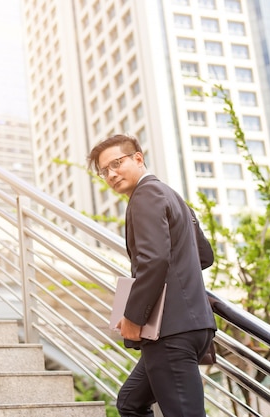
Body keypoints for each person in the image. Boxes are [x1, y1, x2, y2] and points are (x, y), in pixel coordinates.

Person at [87, 134, 217, 417]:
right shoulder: (170, 195)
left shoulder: (144, 196)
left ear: (138, 158)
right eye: (104, 171)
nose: (110, 174)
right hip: (194, 327)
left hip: (171, 331)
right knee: (130, 403)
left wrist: (133, 317)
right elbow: (205, 256)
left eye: (116, 163)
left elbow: (154, 260)